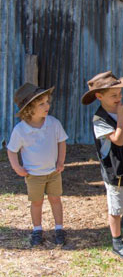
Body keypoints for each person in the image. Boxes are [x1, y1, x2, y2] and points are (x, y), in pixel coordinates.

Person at [83, 71, 123, 259]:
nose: (119, 98)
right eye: (113, 95)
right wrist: (121, 117)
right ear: (99, 96)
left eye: (120, 94)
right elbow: (118, 139)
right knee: (116, 207)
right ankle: (117, 242)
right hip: (114, 170)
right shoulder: (99, 119)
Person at [7, 83, 68, 247]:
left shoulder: (53, 123)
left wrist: (61, 161)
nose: (47, 105)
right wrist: (17, 167)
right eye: (41, 103)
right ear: (29, 109)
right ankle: (37, 229)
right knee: (37, 202)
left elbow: (62, 142)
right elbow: (12, 150)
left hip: (53, 172)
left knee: (55, 199)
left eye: (47, 101)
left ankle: (59, 229)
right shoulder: (20, 130)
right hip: (33, 175)